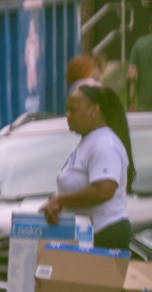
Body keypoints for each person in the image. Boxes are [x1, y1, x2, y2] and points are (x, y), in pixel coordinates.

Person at [40, 85, 137, 249]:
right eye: (67, 110)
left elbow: (104, 190)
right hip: (88, 234)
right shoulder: (90, 141)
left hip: (104, 234)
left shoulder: (105, 144)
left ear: (95, 110)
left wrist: (60, 200)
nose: (67, 115)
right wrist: (56, 200)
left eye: (73, 110)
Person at [129, 22, 152, 111]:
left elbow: (131, 74)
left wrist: (131, 100)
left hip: (144, 96)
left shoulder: (139, 44)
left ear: (150, 27)